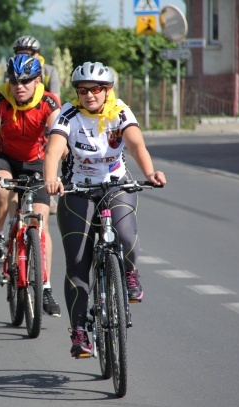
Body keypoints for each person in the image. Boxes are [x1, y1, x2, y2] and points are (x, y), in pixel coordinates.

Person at [43, 61, 166, 358]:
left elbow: (136, 144)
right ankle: (80, 332)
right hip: (77, 189)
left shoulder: (120, 111)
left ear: (107, 90)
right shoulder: (68, 115)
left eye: (96, 89)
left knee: (125, 233)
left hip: (115, 183)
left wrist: (149, 172)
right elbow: (54, 149)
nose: (89, 95)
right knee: (77, 263)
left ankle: (130, 274)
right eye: (83, 90)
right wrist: (51, 178)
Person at [0, 53, 62, 317]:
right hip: (5, 157)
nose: (19, 86)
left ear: (38, 81)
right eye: (14, 81)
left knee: (42, 221)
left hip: (37, 161)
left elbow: (59, 137)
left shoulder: (49, 102)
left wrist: (60, 172)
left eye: (25, 81)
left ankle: (45, 286)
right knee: (0, 189)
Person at [9, 35, 62, 215]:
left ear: (38, 54)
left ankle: (49, 188)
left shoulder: (48, 71)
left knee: (53, 148)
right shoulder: (13, 68)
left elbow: (56, 99)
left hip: (44, 114)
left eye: (28, 53)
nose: (23, 55)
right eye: (20, 53)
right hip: (21, 114)